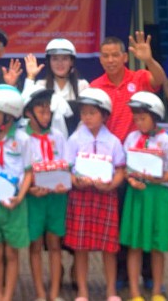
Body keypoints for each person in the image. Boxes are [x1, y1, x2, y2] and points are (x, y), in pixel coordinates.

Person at [63, 87, 125, 301]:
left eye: (92, 113)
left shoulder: (113, 141)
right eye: (84, 113)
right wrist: (75, 181)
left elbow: (120, 169)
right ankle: (83, 291)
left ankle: (111, 291)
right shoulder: (75, 139)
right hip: (81, 197)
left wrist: (111, 185)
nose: (87, 117)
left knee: (109, 247)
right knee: (80, 247)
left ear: (105, 115)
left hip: (105, 197)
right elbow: (67, 168)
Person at [121, 91, 168, 301]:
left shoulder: (167, 141)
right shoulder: (132, 138)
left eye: (143, 118)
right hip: (137, 195)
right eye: (136, 119)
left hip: (158, 196)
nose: (138, 122)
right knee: (134, 244)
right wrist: (131, 179)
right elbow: (125, 167)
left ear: (155, 117)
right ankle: (135, 292)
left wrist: (159, 179)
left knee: (157, 245)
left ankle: (156, 291)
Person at [0, 86, 32, 301]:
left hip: (14, 202)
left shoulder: (23, 139)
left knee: (11, 252)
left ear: (9, 114)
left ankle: (7, 296)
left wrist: (20, 197)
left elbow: (28, 172)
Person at [20, 86, 68, 301]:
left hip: (56, 197)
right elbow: (20, 168)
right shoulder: (22, 138)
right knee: (35, 245)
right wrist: (29, 188)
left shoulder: (58, 136)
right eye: (41, 111)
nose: (46, 115)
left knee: (55, 244)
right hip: (34, 198)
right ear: (29, 113)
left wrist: (64, 182)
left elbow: (66, 164)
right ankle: (40, 292)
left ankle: (54, 292)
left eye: (48, 111)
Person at [90, 32, 168, 142]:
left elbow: (160, 79)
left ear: (125, 57)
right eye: (106, 56)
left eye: (115, 55)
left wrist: (149, 60)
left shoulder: (139, 77)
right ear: (100, 59)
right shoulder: (94, 87)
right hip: (108, 147)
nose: (110, 60)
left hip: (137, 146)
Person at [23, 38, 88, 138]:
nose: (59, 63)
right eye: (55, 59)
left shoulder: (82, 86)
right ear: (49, 61)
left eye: (65, 59)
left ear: (71, 61)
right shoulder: (41, 85)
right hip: (47, 141)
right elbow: (25, 106)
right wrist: (30, 77)